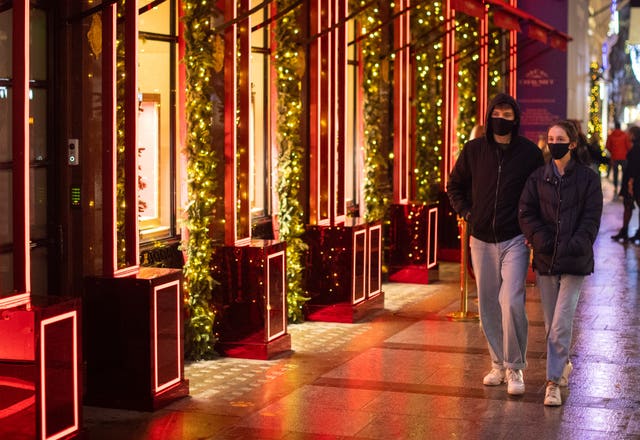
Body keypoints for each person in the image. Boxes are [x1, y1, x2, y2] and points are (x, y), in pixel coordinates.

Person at [447, 93, 544, 396]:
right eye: (496, 113)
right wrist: (466, 212)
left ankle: (515, 367)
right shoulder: (474, 150)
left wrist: (532, 228)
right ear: (489, 117)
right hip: (481, 239)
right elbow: (455, 186)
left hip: (515, 238)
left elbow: (539, 193)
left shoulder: (529, 153)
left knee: (511, 301)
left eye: (508, 114)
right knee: (487, 303)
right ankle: (497, 364)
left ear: (516, 119)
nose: (501, 119)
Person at [518, 120, 603, 406]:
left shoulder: (589, 179)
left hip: (574, 259)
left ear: (573, 143)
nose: (554, 142)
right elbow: (526, 212)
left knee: (561, 322)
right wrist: (541, 239)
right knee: (551, 320)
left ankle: (552, 382)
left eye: (560, 138)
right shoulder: (538, 177)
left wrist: (574, 244)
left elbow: (591, 218)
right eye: (551, 138)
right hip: (545, 257)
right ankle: (563, 363)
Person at [611, 125, 640, 241]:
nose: (627, 135)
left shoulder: (636, 148)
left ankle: (626, 232)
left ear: (633, 134)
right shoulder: (635, 147)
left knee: (628, 206)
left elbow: (634, 167)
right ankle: (626, 232)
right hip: (633, 181)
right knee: (628, 206)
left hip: (633, 182)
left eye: (629, 133)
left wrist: (630, 184)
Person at [605, 120, 631, 195]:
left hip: (614, 157)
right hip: (624, 157)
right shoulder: (625, 135)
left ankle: (616, 187)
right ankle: (623, 187)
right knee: (624, 173)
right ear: (620, 127)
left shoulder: (611, 136)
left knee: (615, 173)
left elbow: (607, 146)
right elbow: (628, 146)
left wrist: (612, 152)